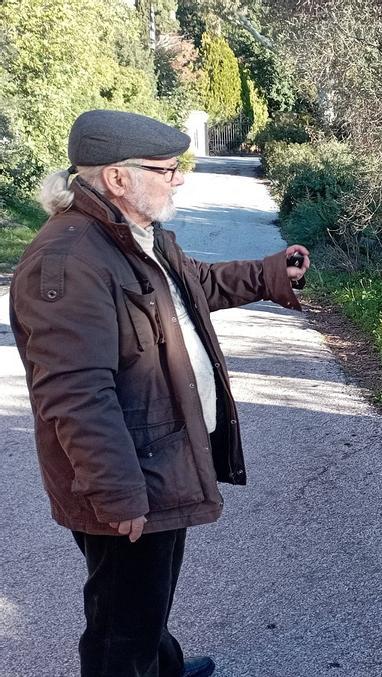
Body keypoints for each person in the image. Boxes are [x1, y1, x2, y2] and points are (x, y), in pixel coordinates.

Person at [9, 110, 311, 677]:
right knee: (121, 629)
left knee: (144, 603)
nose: (178, 179)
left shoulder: (132, 239)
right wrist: (119, 493)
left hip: (161, 459)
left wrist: (273, 273)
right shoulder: (70, 261)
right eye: (166, 169)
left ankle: (163, 668)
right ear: (118, 179)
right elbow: (75, 395)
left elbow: (195, 286)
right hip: (131, 477)